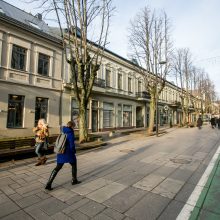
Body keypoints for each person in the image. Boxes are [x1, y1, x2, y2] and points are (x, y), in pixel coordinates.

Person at [45, 121, 81, 190]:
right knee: (74, 165)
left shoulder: (63, 130)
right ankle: (74, 180)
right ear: (72, 126)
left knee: (58, 167)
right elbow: (72, 145)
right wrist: (74, 151)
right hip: (68, 152)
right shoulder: (70, 133)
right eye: (74, 126)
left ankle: (49, 183)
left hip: (60, 151)